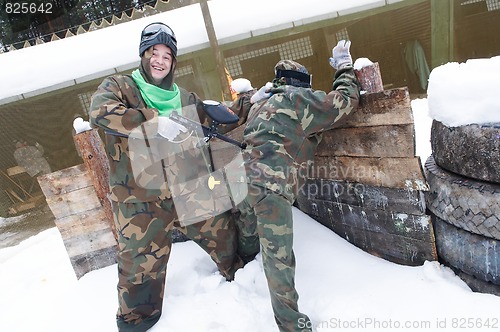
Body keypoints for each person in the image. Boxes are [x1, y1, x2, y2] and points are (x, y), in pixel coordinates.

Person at [89, 22, 244, 332]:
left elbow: (214, 120)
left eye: (167, 56)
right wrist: (154, 121)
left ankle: (243, 279)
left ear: (173, 62)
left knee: (223, 234)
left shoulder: (183, 96)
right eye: (153, 53)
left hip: (188, 188)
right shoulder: (122, 87)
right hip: (141, 200)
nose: (159, 60)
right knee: (141, 266)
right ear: (143, 56)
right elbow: (100, 112)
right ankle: (138, 323)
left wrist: (251, 103)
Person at [234, 40, 361, 331]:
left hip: (242, 180)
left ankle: (242, 268)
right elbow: (344, 102)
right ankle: (292, 326)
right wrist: (344, 68)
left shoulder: (262, 103)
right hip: (271, 187)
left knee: (248, 228)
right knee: (278, 260)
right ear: (300, 83)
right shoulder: (298, 99)